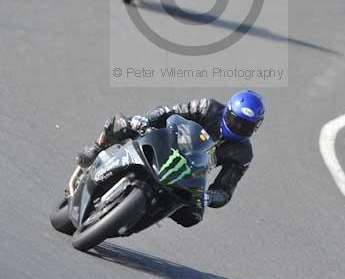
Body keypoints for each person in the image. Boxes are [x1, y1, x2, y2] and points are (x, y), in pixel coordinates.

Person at [77, 91, 265, 227]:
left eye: (245, 126)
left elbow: (225, 190)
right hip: (167, 143)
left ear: (255, 128)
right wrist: (145, 120)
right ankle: (97, 146)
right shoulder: (208, 107)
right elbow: (169, 111)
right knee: (122, 124)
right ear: (227, 112)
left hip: (190, 173)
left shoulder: (243, 154)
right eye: (236, 121)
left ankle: (144, 215)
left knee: (193, 216)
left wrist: (210, 197)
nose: (239, 127)